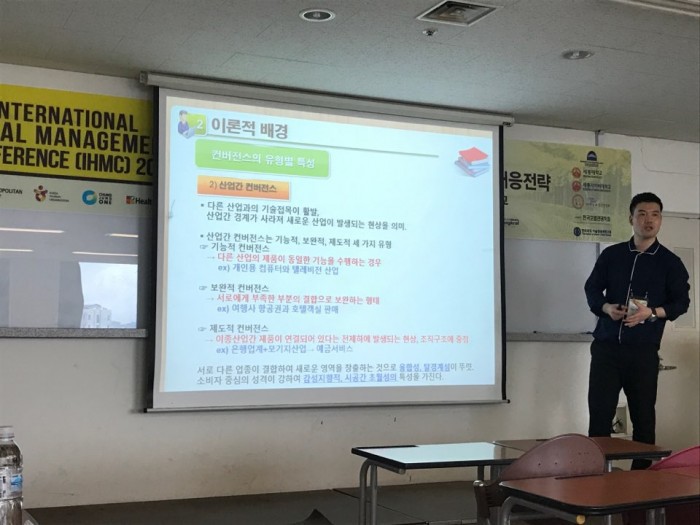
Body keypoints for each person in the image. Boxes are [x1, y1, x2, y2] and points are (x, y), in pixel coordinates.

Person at [584, 192, 690, 469]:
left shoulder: (670, 263)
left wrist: (651, 312)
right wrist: (606, 307)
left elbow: (681, 303)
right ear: (631, 218)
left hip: (642, 352)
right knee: (599, 417)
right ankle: (597, 477)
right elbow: (592, 289)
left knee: (643, 419)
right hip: (607, 349)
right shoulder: (613, 255)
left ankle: (642, 481)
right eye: (642, 214)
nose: (648, 220)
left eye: (655, 214)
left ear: (661, 220)